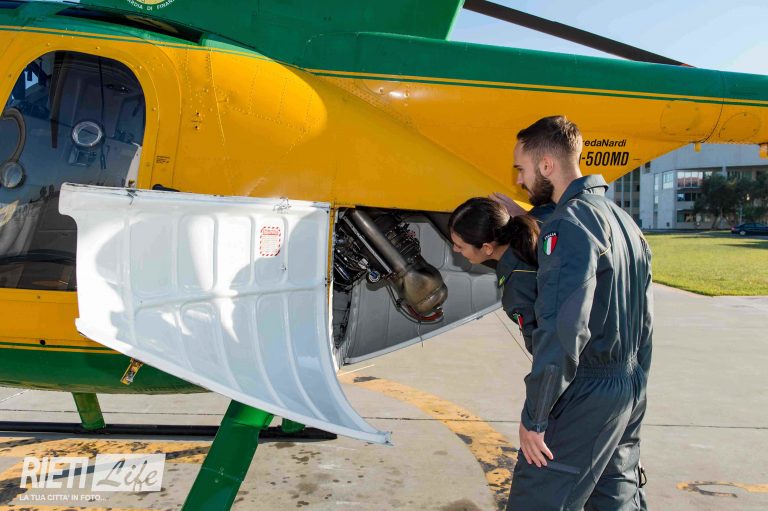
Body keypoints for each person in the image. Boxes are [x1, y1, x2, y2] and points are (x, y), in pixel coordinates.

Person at [503, 115, 652, 511]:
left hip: (584, 391)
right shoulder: (625, 223)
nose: (519, 180)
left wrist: (535, 417)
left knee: (538, 499)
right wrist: (635, 393)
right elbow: (645, 325)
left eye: (522, 168)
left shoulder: (569, 225)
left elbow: (563, 329)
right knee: (614, 501)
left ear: (546, 165)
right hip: (627, 386)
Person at [448, 197, 541, 352]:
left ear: (487, 248)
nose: (455, 249)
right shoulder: (543, 225)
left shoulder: (517, 291)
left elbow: (543, 349)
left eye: (460, 246)